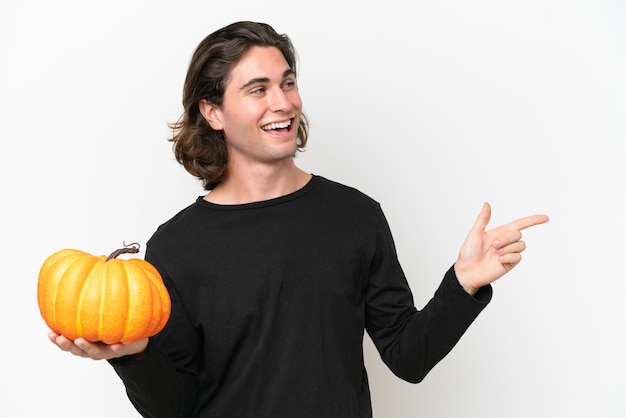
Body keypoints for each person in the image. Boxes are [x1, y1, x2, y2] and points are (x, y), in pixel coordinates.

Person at [48, 21, 549, 417]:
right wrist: (134, 355)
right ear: (213, 111)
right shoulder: (176, 246)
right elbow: (174, 407)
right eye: (258, 89)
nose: (283, 102)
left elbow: (408, 357)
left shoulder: (356, 216)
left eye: (287, 83)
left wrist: (461, 285)